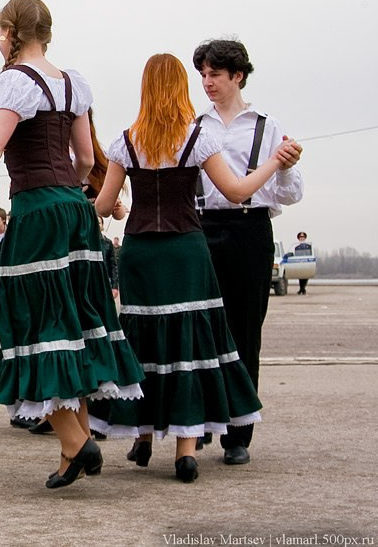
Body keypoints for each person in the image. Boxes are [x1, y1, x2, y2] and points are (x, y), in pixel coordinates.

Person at [0, 0, 143, 490]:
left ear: (11, 32)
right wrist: (71, 195)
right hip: (75, 210)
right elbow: (84, 158)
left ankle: (79, 442)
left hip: (38, 210)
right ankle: (70, 446)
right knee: (74, 321)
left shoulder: (14, 80)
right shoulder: (71, 82)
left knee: (38, 320)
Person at [90, 53, 292, 482]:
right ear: (181, 87)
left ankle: (142, 439)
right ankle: (186, 452)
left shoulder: (124, 141)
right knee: (190, 342)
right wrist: (274, 162)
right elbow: (236, 192)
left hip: (141, 251)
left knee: (143, 341)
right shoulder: (197, 138)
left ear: (145, 88)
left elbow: (106, 207)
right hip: (186, 249)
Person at [193, 39, 304, 466]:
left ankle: (238, 434)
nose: (207, 82)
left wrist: (289, 166)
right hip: (202, 228)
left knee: (244, 333)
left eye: (214, 74)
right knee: (200, 327)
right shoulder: (193, 125)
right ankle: (200, 421)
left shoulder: (267, 125)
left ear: (237, 75)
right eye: (202, 74)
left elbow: (288, 195)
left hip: (250, 229)